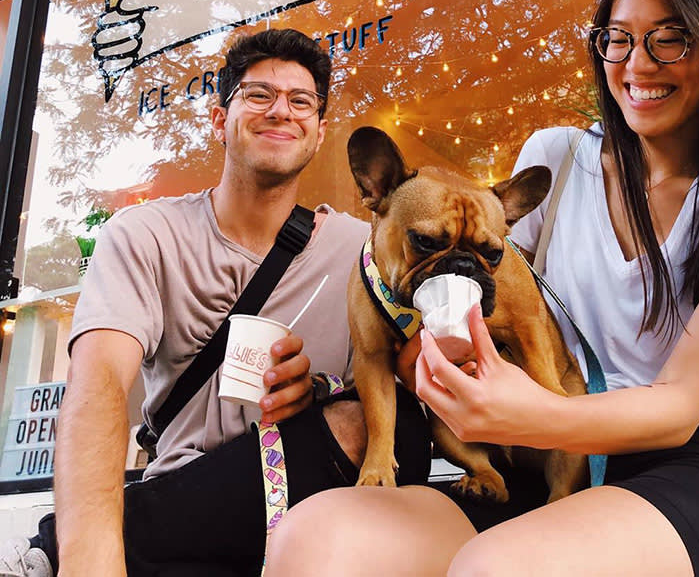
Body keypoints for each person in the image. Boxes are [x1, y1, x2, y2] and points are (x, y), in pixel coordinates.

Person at [264, 0, 699, 577]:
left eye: (669, 41)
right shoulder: (562, 157)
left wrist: (539, 415)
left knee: (499, 566)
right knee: (314, 535)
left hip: (664, 463)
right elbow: (484, 306)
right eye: (618, 40)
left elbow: (681, 403)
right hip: (523, 454)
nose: (636, 64)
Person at [0, 28, 430, 577]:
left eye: (301, 102)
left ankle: (50, 549)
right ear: (218, 120)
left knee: (372, 423)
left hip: (321, 516)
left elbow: (404, 376)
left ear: (319, 132)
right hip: (181, 504)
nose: (282, 111)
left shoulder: (361, 249)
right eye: (258, 95)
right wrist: (91, 558)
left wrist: (318, 388)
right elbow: (99, 384)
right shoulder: (146, 235)